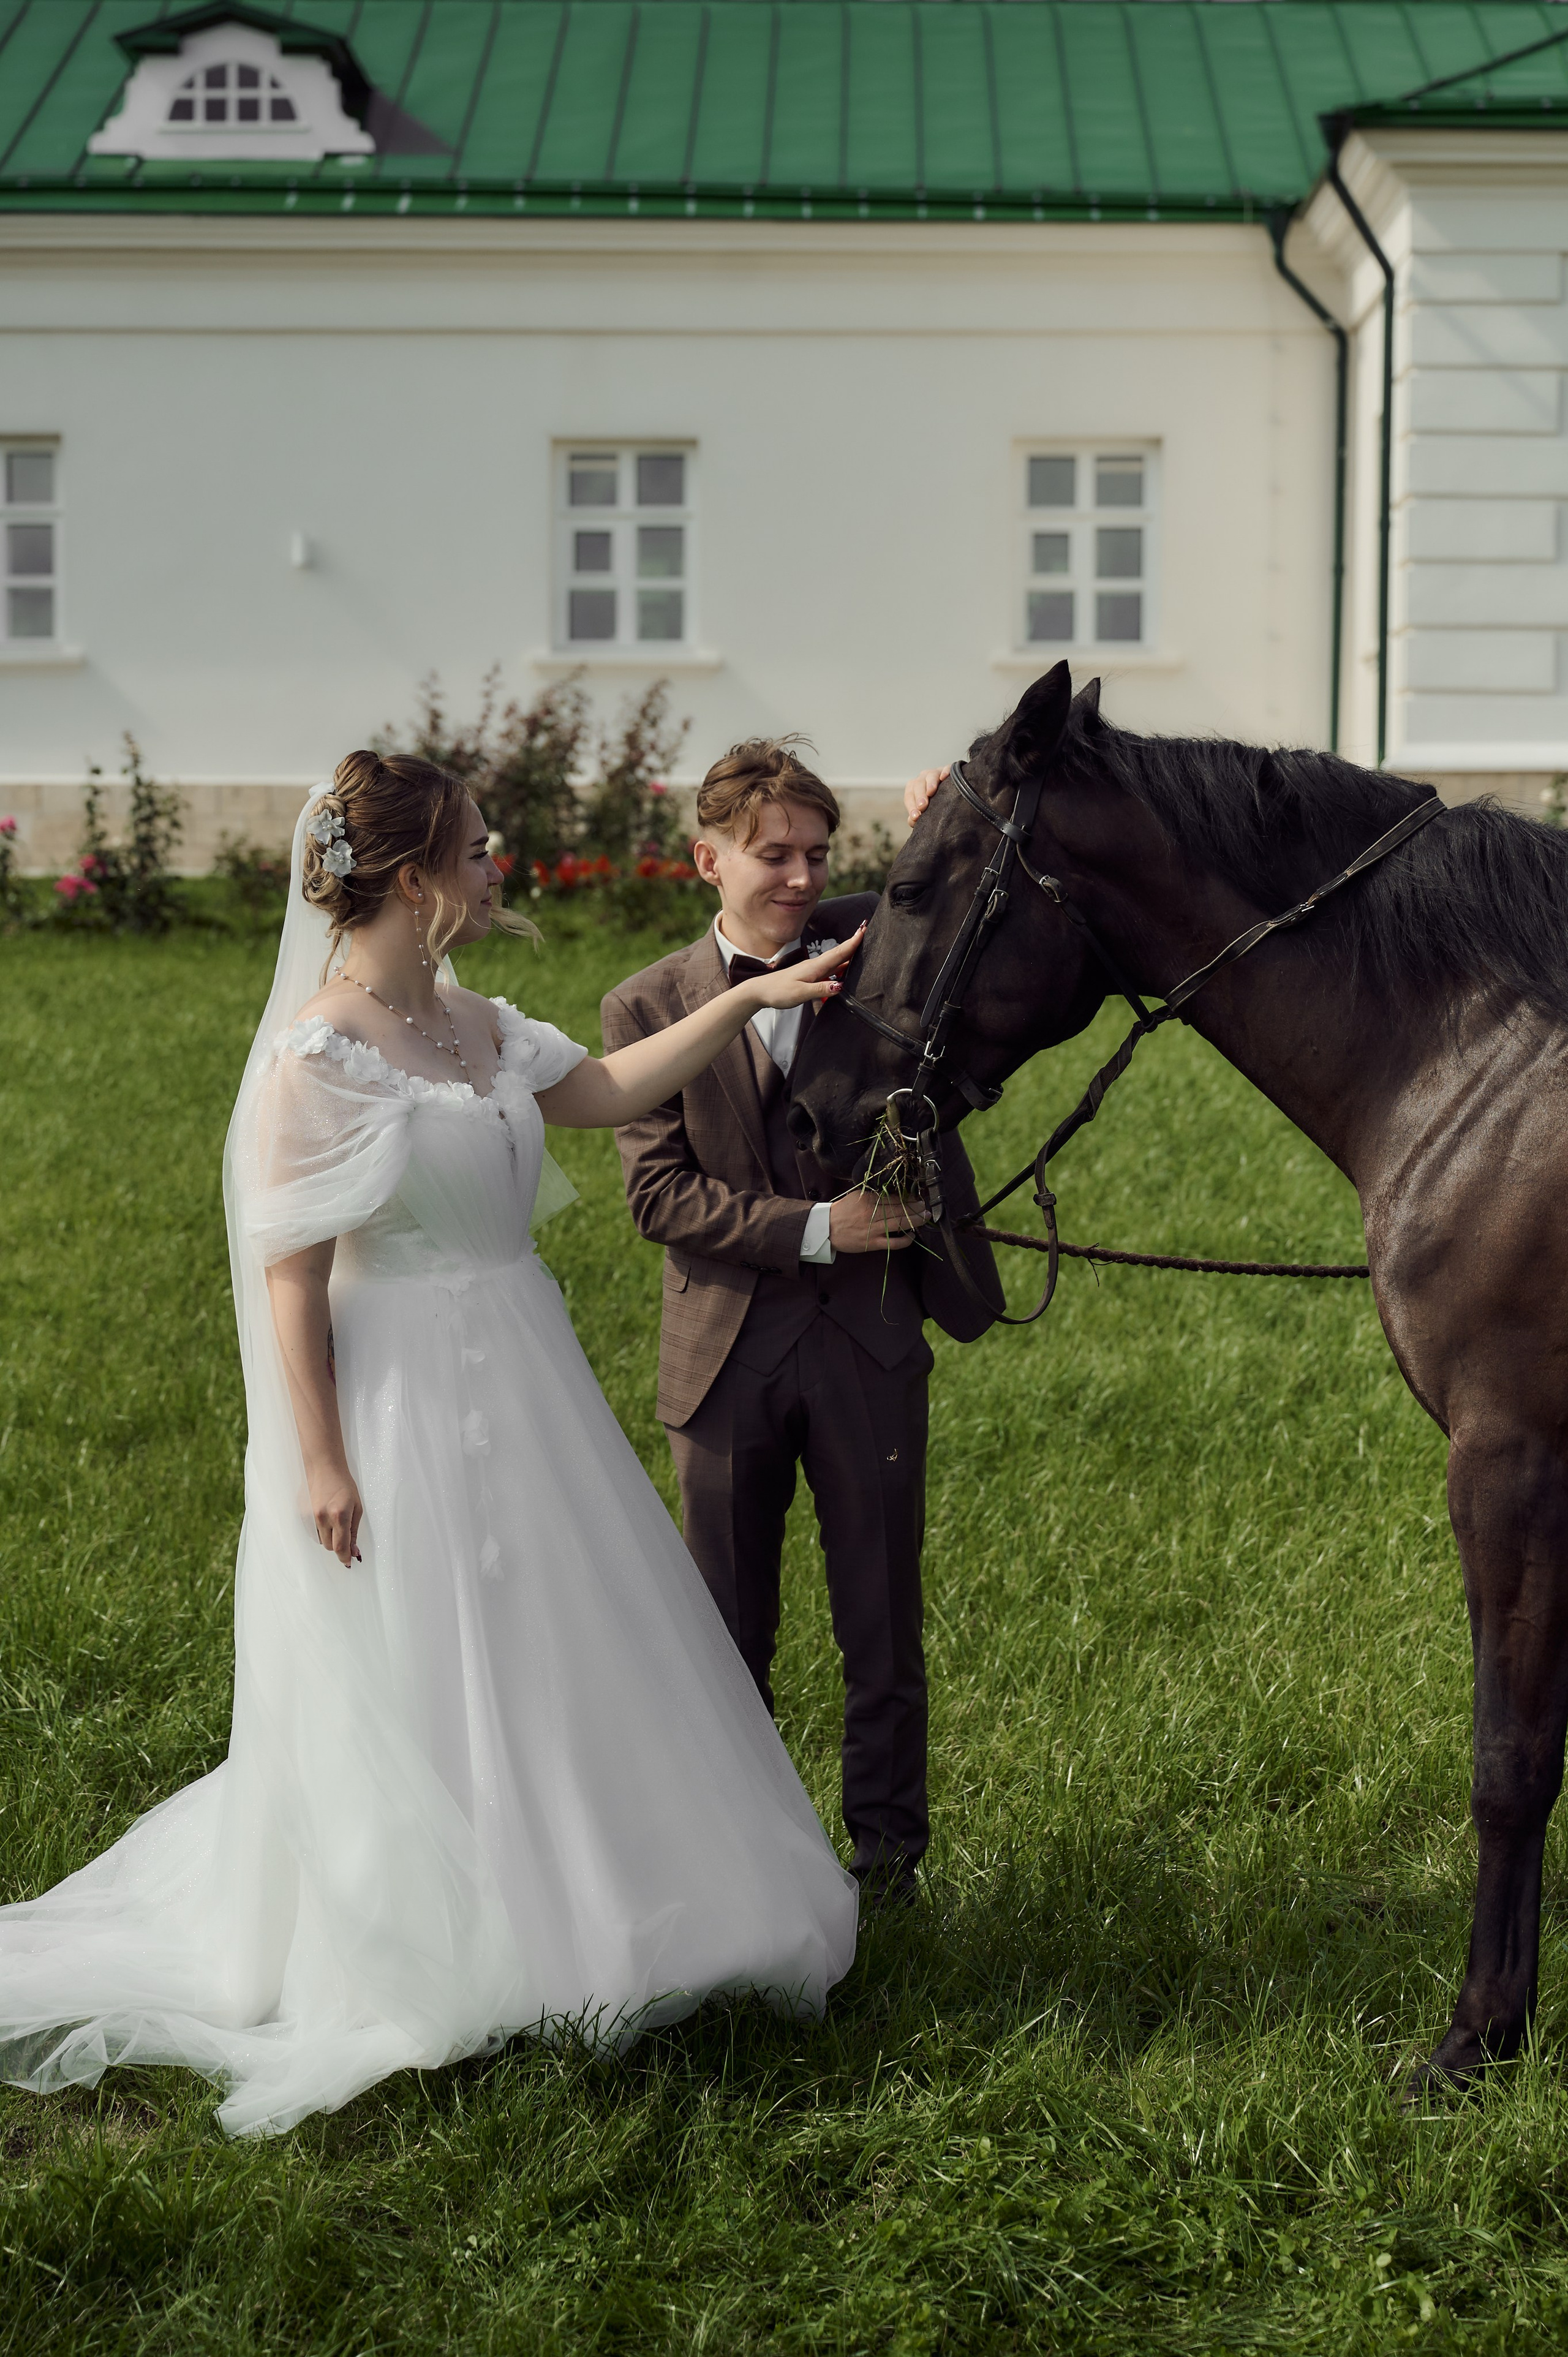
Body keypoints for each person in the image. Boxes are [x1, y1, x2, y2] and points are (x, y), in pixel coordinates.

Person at [0, 752, 860, 2140]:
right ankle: (463, 1928)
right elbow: (291, 1274)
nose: (495, 863)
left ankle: (597, 1892)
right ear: (411, 879)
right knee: (434, 1647)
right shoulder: (320, 1056)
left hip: (523, 1370)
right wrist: (321, 1458)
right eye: (475, 849)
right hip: (397, 1388)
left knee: (557, 1637)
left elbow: (604, 1088)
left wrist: (748, 998)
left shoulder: (471, 1021)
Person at [601, 741, 1001, 1912]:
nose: (798, 876)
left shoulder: (873, 948)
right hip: (722, 1360)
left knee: (882, 1627)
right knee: (727, 1638)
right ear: (707, 860)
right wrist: (823, 1227)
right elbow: (657, 1196)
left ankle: (889, 1866)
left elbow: (972, 901)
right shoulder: (646, 1005)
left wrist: (952, 815)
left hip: (868, 1344)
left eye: (817, 854)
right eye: (773, 854)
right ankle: (737, 1870)